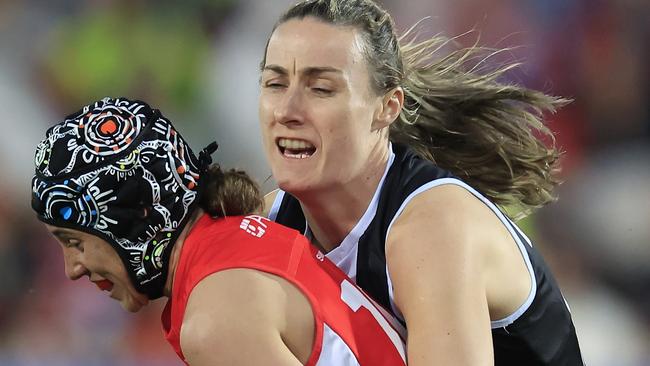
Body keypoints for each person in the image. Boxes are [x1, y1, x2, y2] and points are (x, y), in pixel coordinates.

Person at [258, 0, 584, 365]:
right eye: (275, 83)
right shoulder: (266, 222)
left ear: (387, 107)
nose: (286, 111)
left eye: (321, 89)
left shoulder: (433, 228)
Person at [30, 97, 407, 366]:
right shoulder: (243, 236)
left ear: (138, 215)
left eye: (74, 241)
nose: (71, 268)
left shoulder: (213, 321)